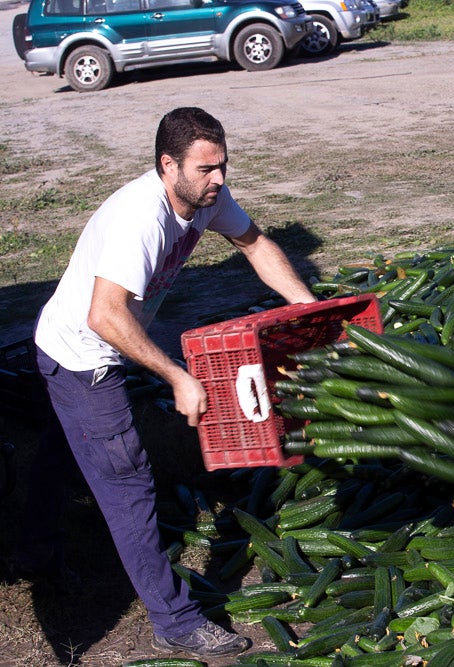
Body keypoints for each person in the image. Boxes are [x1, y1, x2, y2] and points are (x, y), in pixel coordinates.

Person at [18, 106, 317, 658]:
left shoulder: (207, 198)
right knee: (128, 483)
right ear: (167, 164)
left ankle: (31, 550)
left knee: (64, 454)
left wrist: (307, 306)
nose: (219, 179)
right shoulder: (142, 218)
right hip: (83, 358)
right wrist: (176, 375)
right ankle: (175, 621)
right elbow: (104, 316)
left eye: (223, 166)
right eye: (206, 169)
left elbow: (255, 245)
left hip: (88, 346)